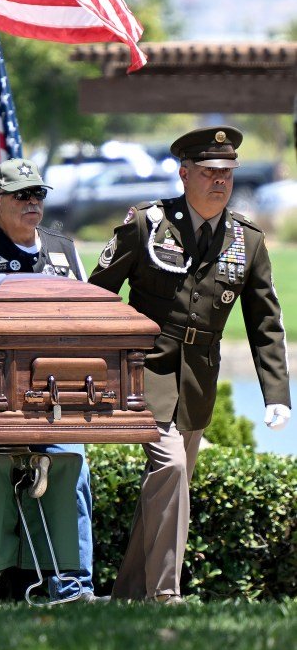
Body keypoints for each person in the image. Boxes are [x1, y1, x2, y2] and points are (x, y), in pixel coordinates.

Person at [88, 126, 291, 603]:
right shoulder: (148, 225)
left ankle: (127, 597)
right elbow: (98, 294)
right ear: (184, 174)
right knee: (172, 468)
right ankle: (164, 597)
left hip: (198, 380)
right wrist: (98, 366)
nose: (220, 181)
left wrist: (276, 393)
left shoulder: (248, 240)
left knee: (168, 490)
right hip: (145, 372)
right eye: (208, 172)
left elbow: (266, 322)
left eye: (227, 173)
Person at [0, 157, 103, 604]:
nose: (33, 202)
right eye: (22, 195)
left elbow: (89, 316)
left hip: (58, 394)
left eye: (38, 194)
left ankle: (73, 584)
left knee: (71, 475)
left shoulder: (64, 249)